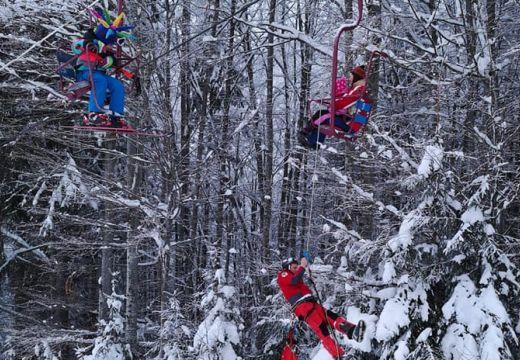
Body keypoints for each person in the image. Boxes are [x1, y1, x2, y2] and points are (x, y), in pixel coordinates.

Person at [277, 257, 366, 358]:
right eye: (294, 265)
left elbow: (298, 281)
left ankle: (352, 330)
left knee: (332, 317)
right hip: (302, 307)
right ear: (287, 266)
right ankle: (339, 354)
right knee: (322, 329)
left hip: (311, 303)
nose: (296, 267)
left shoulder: (295, 275)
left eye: (296, 265)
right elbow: (294, 280)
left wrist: (308, 276)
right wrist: (302, 266)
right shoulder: (283, 274)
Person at [71, 8, 133, 128]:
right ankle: (94, 113)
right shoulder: (88, 41)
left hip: (99, 73)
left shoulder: (106, 50)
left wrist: (109, 60)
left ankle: (116, 115)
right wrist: (93, 44)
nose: (110, 46)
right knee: (100, 81)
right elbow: (76, 46)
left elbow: (111, 60)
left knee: (117, 85)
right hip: (85, 72)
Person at [299, 65, 368, 148]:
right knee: (324, 119)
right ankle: (314, 142)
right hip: (350, 120)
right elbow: (343, 101)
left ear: (356, 77)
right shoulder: (357, 89)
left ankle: (307, 131)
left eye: (351, 76)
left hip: (351, 125)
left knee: (322, 114)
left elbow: (344, 102)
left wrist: (333, 104)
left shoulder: (359, 90)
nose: (349, 79)